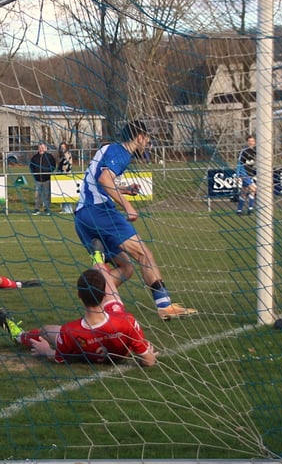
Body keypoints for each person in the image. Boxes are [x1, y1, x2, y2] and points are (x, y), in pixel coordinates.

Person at [74, 121, 195, 321]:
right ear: (139, 136)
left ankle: (96, 305)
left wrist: (124, 189)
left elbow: (96, 180)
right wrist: (128, 205)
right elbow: (104, 179)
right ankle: (164, 305)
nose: (148, 142)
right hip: (100, 212)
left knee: (126, 268)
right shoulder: (122, 153)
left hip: (82, 217)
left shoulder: (108, 149)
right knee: (144, 254)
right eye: (147, 137)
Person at [0, 264, 157, 367]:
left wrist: (46, 351)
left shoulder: (70, 331)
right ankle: (98, 261)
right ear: (103, 294)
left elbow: (59, 357)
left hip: (87, 350)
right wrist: (146, 352)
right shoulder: (126, 321)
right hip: (119, 349)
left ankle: (19, 336)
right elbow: (149, 361)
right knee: (104, 279)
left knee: (46, 331)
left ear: (79, 295)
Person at [29, 142, 56, 215]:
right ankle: (37, 209)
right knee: (37, 195)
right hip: (38, 180)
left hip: (46, 179)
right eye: (40, 148)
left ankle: (47, 209)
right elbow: (31, 167)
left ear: (46, 148)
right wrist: (35, 174)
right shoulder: (34, 157)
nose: (41, 149)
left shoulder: (50, 157)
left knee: (47, 195)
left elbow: (53, 165)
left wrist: (49, 172)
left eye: (43, 148)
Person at [236, 135, 256, 215]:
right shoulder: (244, 151)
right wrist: (238, 175)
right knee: (254, 189)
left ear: (255, 142)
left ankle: (239, 211)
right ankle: (250, 209)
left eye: (253, 141)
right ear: (247, 142)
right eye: (250, 141)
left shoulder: (256, 151)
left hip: (250, 174)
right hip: (244, 174)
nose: (251, 143)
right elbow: (239, 163)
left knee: (244, 192)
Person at [58, 142, 75, 214]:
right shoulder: (60, 155)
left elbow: (67, 165)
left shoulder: (67, 154)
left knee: (67, 192)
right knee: (63, 192)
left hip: (67, 175)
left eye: (64, 147)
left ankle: (68, 209)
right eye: (61, 147)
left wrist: (64, 172)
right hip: (61, 175)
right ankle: (64, 208)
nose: (62, 149)